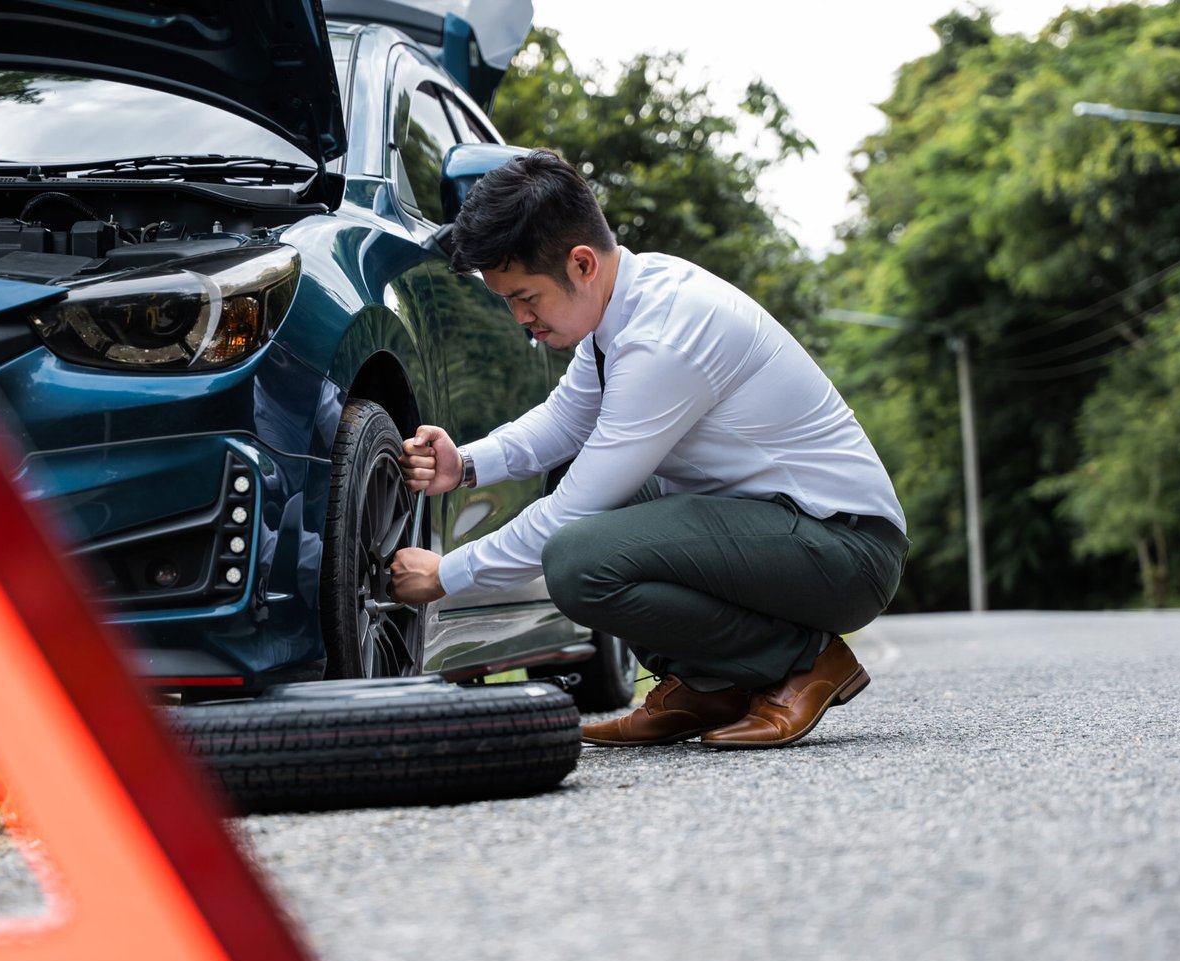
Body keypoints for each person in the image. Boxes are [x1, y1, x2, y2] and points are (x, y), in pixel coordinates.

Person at [388, 150, 908, 749]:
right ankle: (707, 685)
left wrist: (447, 574)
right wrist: (468, 463)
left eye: (525, 296)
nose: (519, 318)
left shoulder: (665, 337)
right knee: (580, 503)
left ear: (581, 263)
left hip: (844, 548)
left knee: (578, 560)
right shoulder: (622, 304)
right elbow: (565, 422)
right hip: (781, 529)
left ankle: (803, 662)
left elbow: (576, 513)